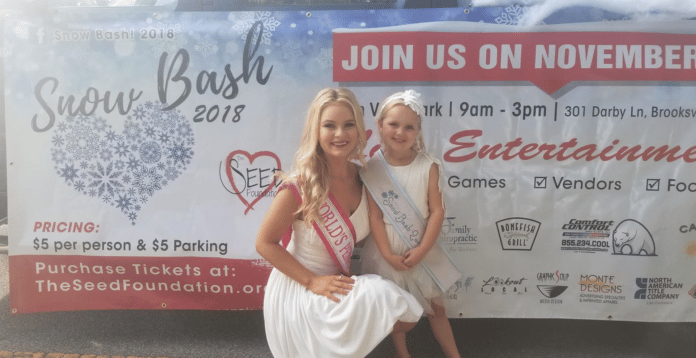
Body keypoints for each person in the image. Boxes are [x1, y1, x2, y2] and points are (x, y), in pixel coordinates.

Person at [256, 88, 424, 358]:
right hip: (300, 287)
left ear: (359, 129)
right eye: (329, 125)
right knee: (384, 296)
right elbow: (264, 243)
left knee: (405, 310)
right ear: (316, 131)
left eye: (348, 125)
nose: (339, 134)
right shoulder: (300, 184)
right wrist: (312, 282)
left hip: (336, 284)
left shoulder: (365, 177)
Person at [361, 90, 462, 358]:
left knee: (437, 308)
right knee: (395, 307)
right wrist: (387, 255)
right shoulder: (372, 168)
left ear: (418, 131)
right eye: (393, 124)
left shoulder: (429, 166)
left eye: (409, 127)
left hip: (421, 249)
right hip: (387, 252)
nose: (400, 132)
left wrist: (422, 250)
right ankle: (402, 353)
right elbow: (374, 216)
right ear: (380, 125)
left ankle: (453, 354)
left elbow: (437, 211)